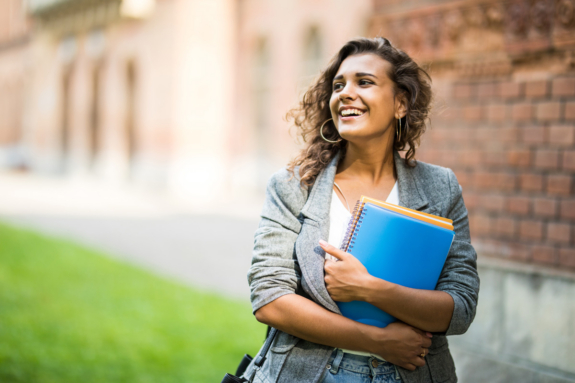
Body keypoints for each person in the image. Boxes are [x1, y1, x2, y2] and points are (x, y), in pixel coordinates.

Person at [241, 37, 479, 383]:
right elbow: (269, 298)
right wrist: (378, 341)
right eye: (339, 85)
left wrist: (369, 288)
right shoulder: (293, 185)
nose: (345, 93)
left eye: (364, 82)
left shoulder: (440, 187)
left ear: (400, 103)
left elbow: (460, 309)